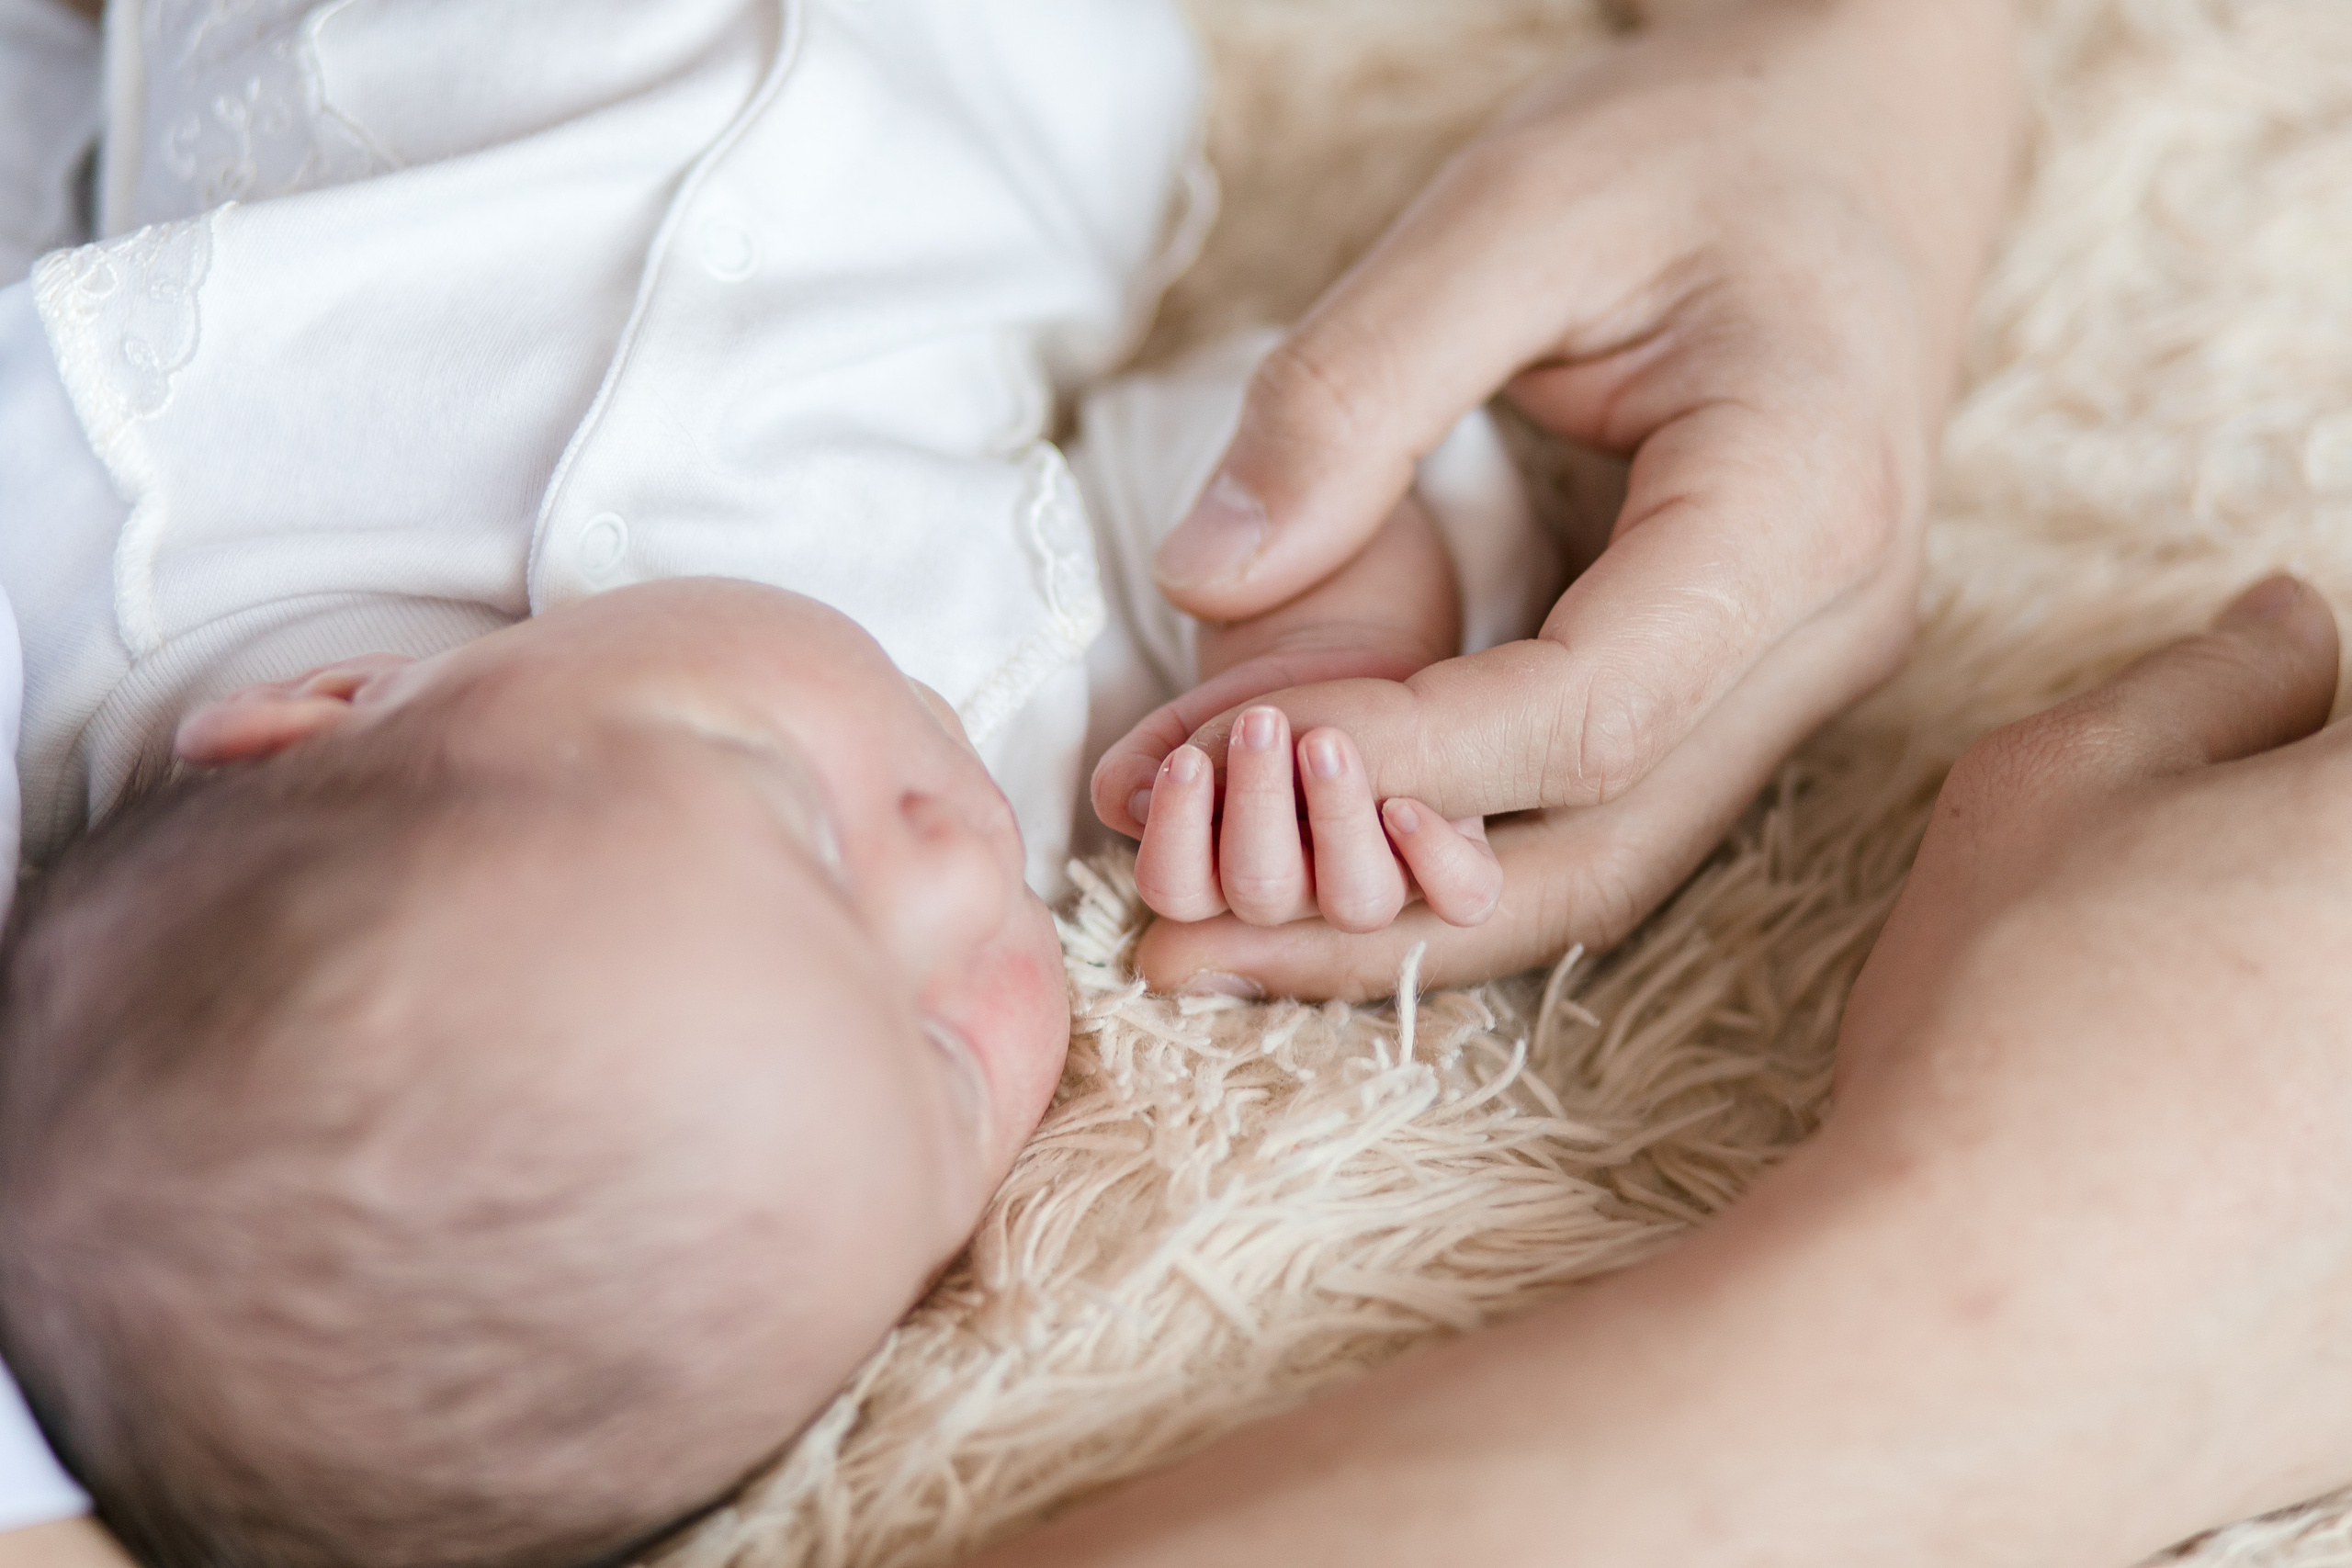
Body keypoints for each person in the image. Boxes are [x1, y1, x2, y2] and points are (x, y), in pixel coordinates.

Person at [0, 2, 1544, 1564]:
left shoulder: (96, 548)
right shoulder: (981, 712)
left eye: (798, 824)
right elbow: (1244, 456)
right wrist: (1314, 671)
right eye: (945, 1063)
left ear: (326, 714)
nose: (960, 879)